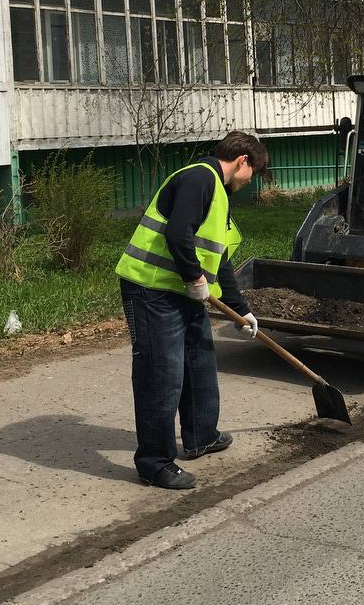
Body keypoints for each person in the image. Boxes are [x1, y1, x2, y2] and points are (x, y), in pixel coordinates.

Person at [116, 131, 271, 490]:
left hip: (184, 292)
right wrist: (193, 277)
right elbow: (178, 235)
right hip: (151, 290)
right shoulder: (199, 178)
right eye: (254, 173)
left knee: (200, 362)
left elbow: (222, 261)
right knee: (161, 374)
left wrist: (241, 310)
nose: (251, 182)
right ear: (243, 161)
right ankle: (153, 463)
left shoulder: (217, 193)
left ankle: (201, 434)